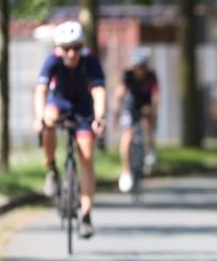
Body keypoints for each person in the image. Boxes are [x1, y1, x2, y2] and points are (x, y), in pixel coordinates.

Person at [33, 20, 107, 239]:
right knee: (48, 121)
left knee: (86, 154)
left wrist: (100, 117)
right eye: (66, 48)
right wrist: (39, 118)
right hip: (60, 103)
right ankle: (52, 170)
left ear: (82, 46)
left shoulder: (90, 60)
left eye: (76, 47)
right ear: (58, 49)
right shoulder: (52, 61)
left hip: (84, 107)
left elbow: (99, 91)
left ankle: (86, 216)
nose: (72, 53)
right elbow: (41, 91)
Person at [115, 48, 160, 193]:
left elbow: (155, 96)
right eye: (137, 67)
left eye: (142, 67)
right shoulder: (127, 75)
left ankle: (150, 148)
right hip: (131, 105)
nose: (139, 70)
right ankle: (127, 171)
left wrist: (153, 110)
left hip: (145, 104)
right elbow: (120, 92)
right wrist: (117, 107)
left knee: (148, 123)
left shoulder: (151, 76)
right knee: (127, 137)